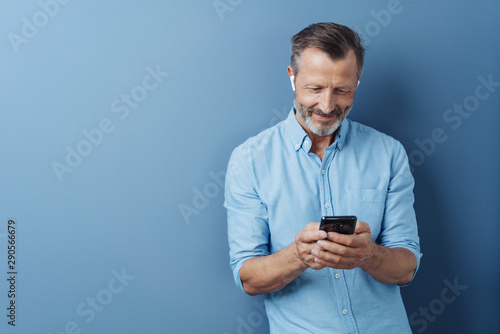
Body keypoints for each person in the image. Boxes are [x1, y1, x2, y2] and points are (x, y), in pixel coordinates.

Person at [224, 22, 422, 333]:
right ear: (292, 77)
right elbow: (248, 277)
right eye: (315, 89)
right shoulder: (249, 160)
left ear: (356, 83)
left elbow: (407, 268)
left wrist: (369, 255)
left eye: (342, 90)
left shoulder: (389, 153)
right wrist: (298, 255)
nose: (327, 106)